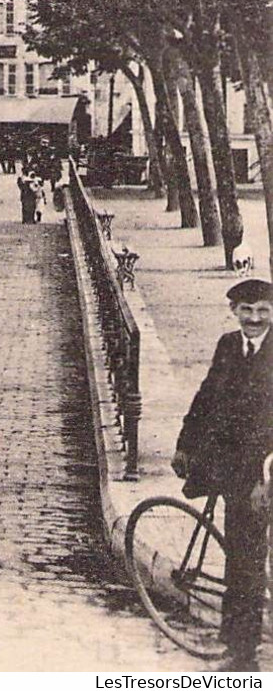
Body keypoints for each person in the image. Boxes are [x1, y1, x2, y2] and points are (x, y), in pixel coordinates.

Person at [171, 278, 273, 671]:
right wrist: (185, 443)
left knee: (250, 558)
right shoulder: (228, 345)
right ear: (234, 311)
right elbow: (206, 395)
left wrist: (266, 479)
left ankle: (242, 640)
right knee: (242, 559)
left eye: (263, 309)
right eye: (246, 310)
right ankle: (241, 652)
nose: (254, 317)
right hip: (230, 467)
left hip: (263, 472)